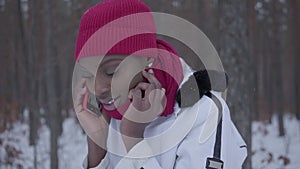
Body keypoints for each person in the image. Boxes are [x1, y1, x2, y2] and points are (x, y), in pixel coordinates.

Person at [72, 0, 247, 168]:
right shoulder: (113, 113)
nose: (99, 89)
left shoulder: (204, 114)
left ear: (148, 58)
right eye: (88, 74)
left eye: (111, 72)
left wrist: (133, 140)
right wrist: (98, 144)